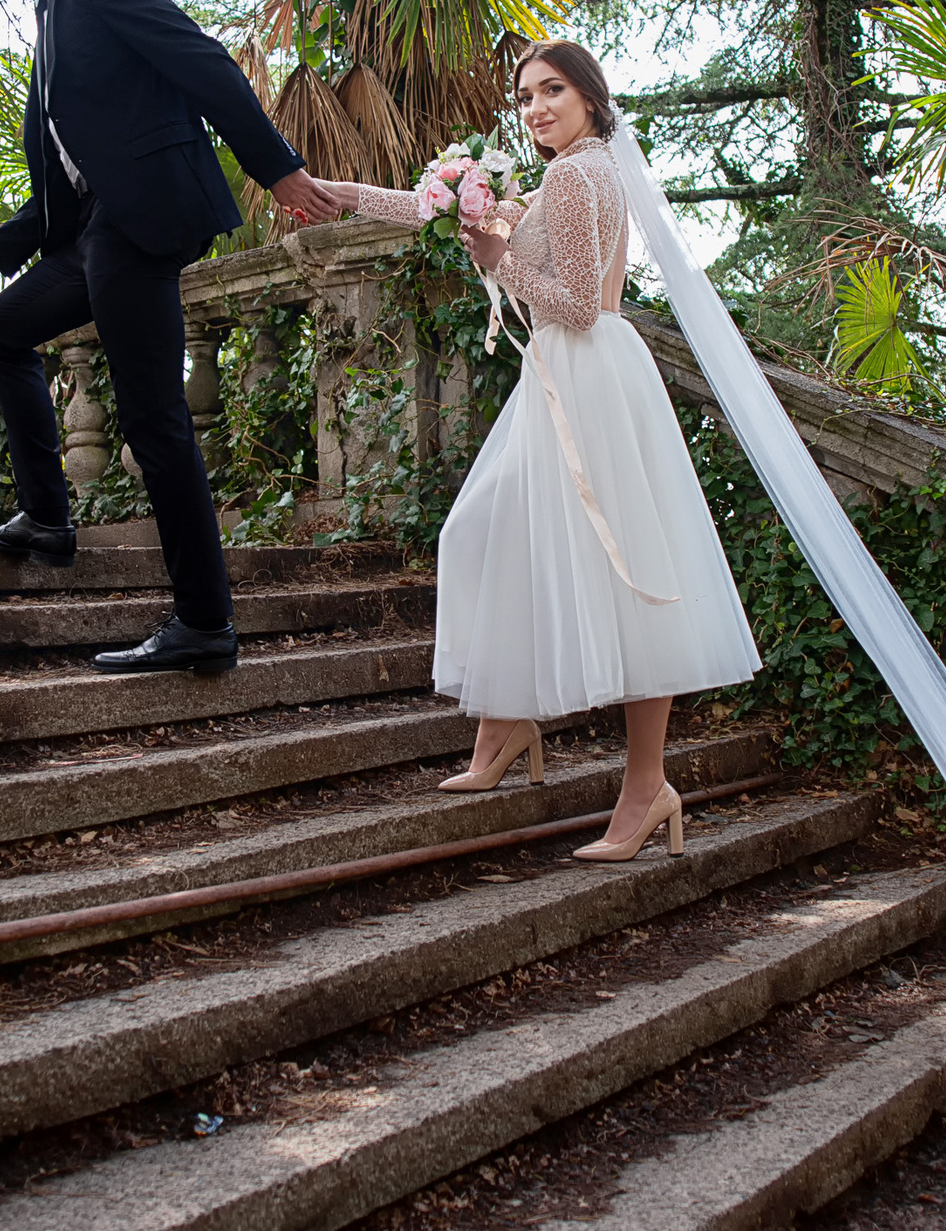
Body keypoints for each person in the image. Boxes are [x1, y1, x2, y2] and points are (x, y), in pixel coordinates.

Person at [310, 42, 761, 860]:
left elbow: (582, 305)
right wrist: (332, 192)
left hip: (586, 378)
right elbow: (432, 209)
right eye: (524, 97)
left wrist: (499, 261)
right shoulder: (571, 175)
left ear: (590, 95)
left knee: (624, 581)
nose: (536, 107)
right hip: (566, 379)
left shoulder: (578, 176)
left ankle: (644, 788)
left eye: (553, 90)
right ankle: (508, 722)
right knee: (491, 536)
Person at [0, 0, 351, 675]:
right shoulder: (49, 23)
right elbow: (64, 178)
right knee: (2, 330)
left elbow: (204, 64)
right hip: (96, 232)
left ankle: (204, 620)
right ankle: (47, 519)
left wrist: (276, 168)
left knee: (154, 417)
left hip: (141, 224)